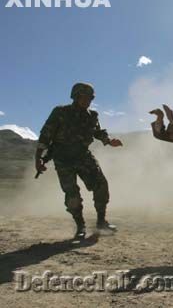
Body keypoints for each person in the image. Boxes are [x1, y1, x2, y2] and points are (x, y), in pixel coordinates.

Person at [35, 83, 123, 239]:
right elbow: (46, 135)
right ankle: (80, 226)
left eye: (90, 98)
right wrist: (39, 159)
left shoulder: (92, 115)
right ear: (75, 96)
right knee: (72, 194)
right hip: (63, 159)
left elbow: (97, 132)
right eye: (84, 97)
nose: (87, 100)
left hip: (83, 156)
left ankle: (101, 222)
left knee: (101, 184)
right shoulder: (61, 112)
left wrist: (109, 141)